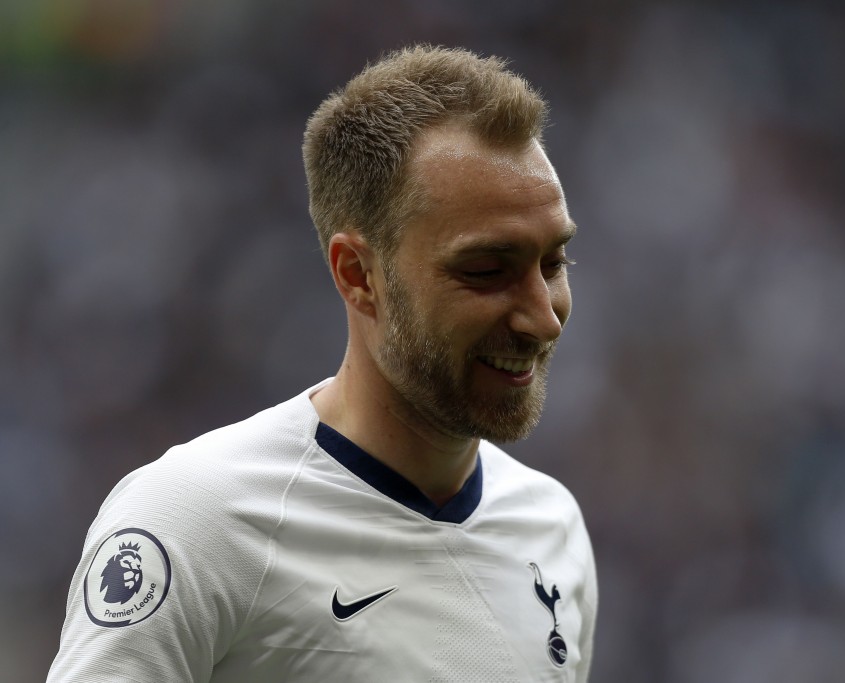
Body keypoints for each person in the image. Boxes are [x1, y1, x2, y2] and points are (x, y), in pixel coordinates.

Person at [47, 45, 597, 682]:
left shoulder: (552, 528)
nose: (543, 318)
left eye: (553, 263)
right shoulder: (195, 520)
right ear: (358, 275)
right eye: (485, 271)